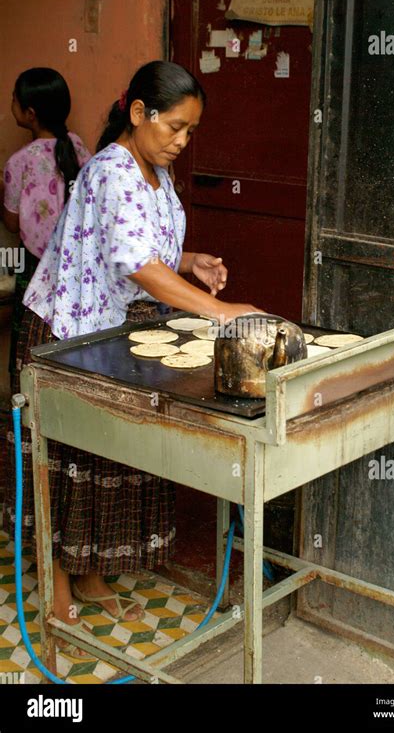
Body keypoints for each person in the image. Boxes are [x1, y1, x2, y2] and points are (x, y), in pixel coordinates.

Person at [5, 60, 262, 657]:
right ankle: (56, 580)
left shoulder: (154, 172)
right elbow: (135, 264)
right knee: (64, 456)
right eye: (174, 126)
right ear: (139, 114)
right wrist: (219, 312)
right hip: (63, 331)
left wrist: (190, 259)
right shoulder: (112, 169)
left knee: (101, 451)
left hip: (106, 330)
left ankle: (91, 571)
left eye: (191, 131)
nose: (181, 140)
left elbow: (146, 249)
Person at [0, 68, 90, 383]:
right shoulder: (77, 147)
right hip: (79, 265)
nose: (10, 103)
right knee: (68, 346)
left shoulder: (19, 162)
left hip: (36, 266)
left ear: (30, 113)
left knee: (29, 345)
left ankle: (22, 414)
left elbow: (11, 223)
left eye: (13, 99)